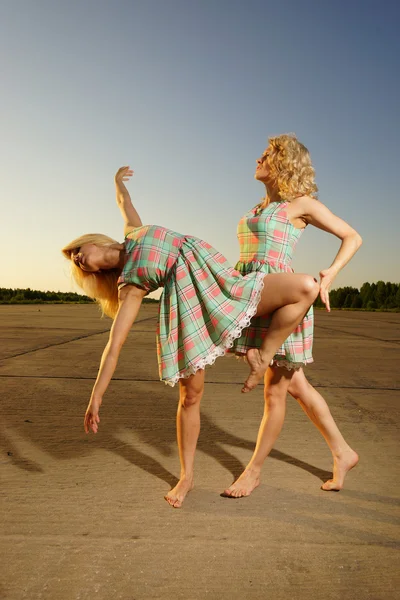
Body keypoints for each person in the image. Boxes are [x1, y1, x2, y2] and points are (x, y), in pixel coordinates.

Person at [62, 166, 319, 507]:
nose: (78, 259)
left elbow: (124, 201)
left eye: (77, 252)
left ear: (92, 241)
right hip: (187, 307)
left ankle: (264, 354)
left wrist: (116, 181)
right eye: (78, 265)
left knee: (304, 286)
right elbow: (114, 345)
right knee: (190, 397)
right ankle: (187, 476)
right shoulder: (130, 285)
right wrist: (96, 397)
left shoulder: (134, 232)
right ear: (96, 272)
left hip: (218, 279)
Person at [222, 133, 362, 498]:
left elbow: (352, 237)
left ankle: (253, 473)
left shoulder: (302, 204)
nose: (258, 159)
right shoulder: (257, 207)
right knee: (297, 386)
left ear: (284, 163)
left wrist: (330, 273)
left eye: (267, 155)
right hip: (254, 291)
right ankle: (343, 452)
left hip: (283, 301)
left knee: (276, 392)